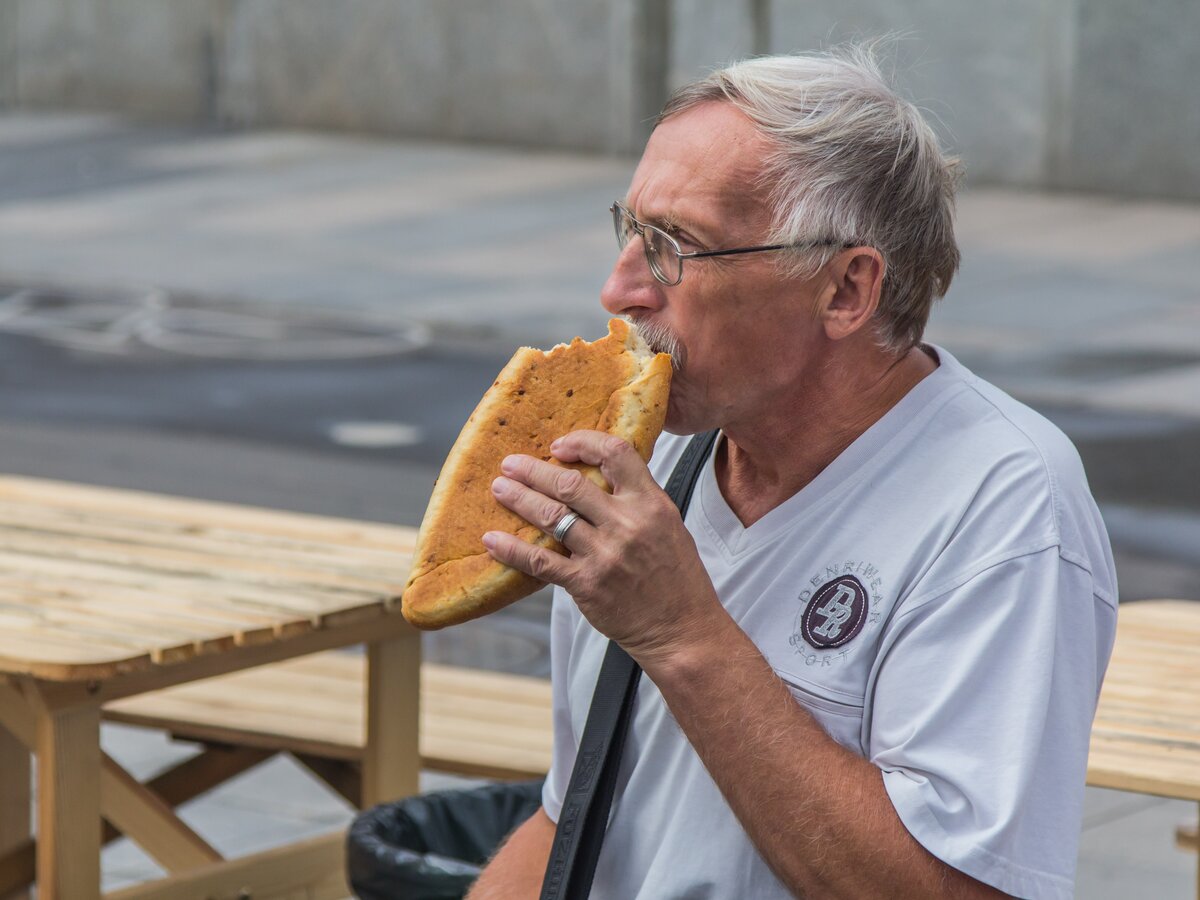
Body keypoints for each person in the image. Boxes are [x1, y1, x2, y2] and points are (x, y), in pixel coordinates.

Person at [468, 44, 1117, 899]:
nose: (620, 288)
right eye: (631, 231)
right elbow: (578, 819)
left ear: (846, 289)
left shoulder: (1003, 503)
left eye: (676, 246)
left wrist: (682, 632)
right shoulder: (645, 461)